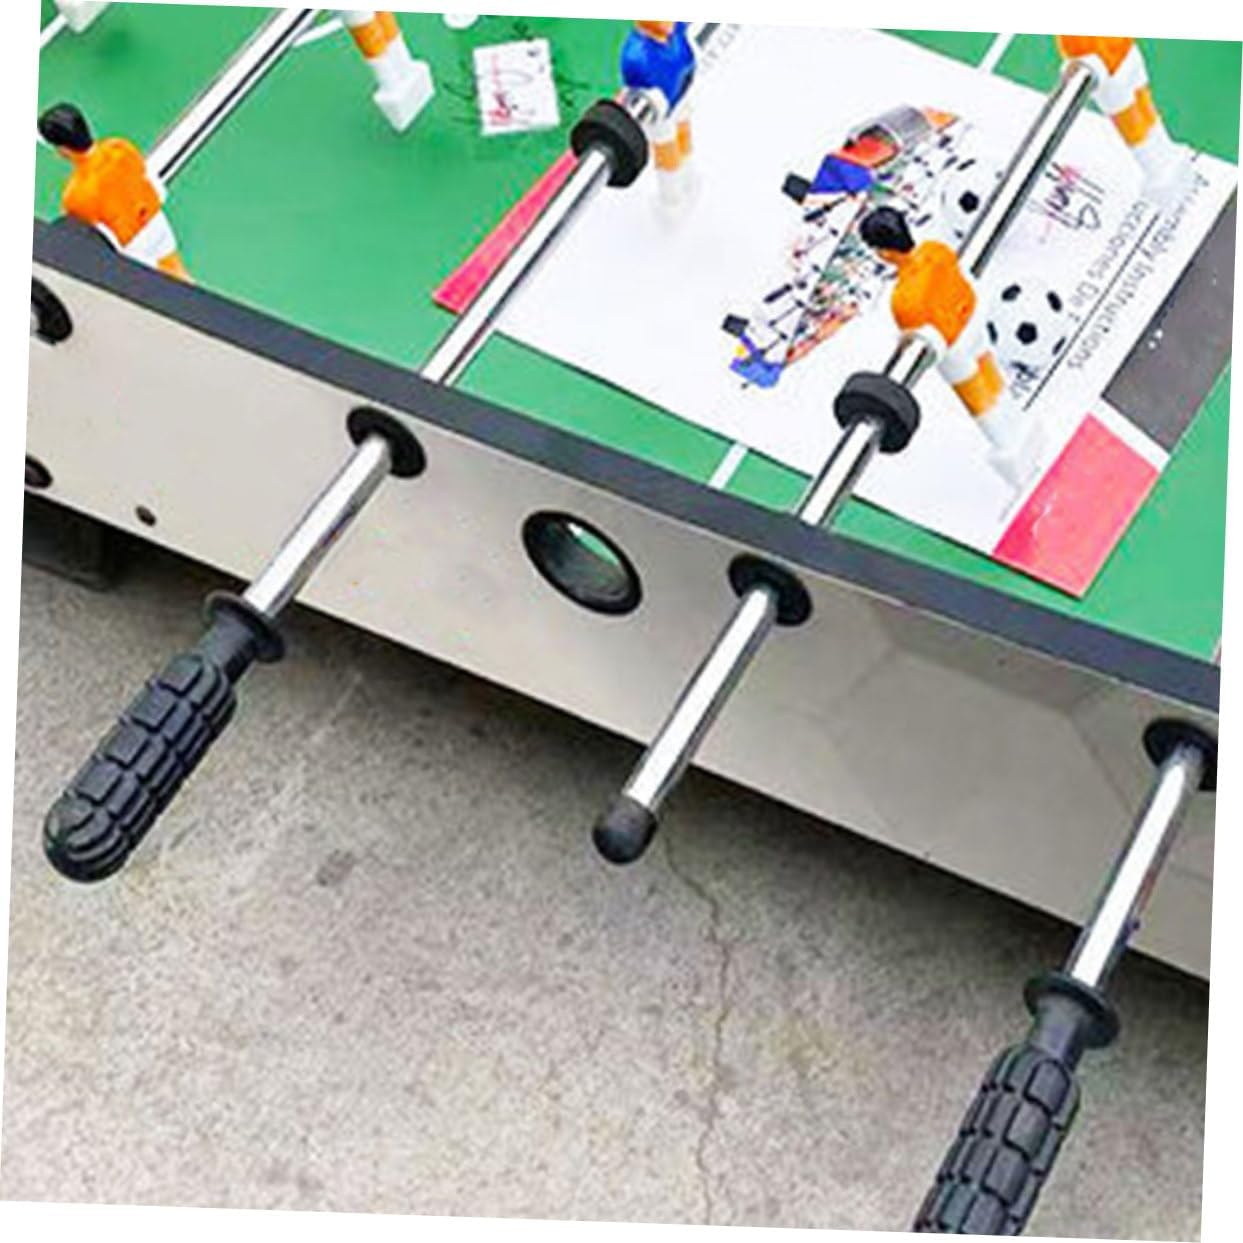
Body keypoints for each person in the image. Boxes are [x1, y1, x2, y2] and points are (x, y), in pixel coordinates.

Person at [37, 102, 191, 282]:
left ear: (63, 150)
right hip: (156, 223)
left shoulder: (75, 194)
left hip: (134, 249)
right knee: (180, 275)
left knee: (162, 289)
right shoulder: (119, 147)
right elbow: (145, 177)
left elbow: (94, 237)